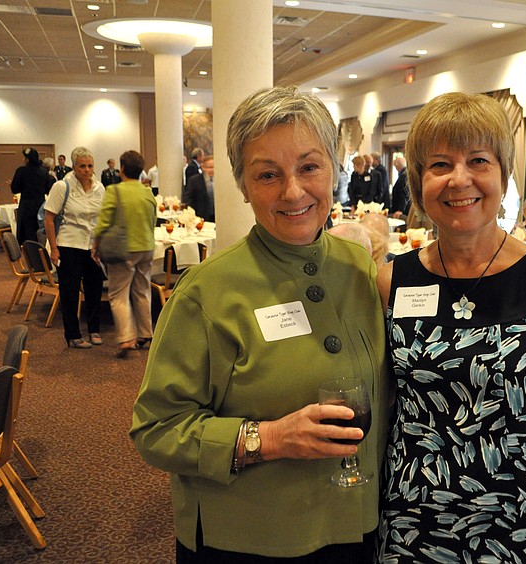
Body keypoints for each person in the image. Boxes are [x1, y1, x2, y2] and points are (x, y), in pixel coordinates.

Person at [130, 85, 388, 562]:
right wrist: (268, 439)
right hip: (249, 539)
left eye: (309, 167)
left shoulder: (360, 267)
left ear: (334, 169)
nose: (293, 191)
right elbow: (155, 429)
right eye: (268, 174)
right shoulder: (206, 292)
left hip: (357, 526)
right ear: (243, 186)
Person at [375, 92, 526, 562]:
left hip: (512, 524)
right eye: (439, 164)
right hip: (410, 520)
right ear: (417, 181)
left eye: (478, 160)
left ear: (503, 175)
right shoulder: (392, 281)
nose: (460, 180)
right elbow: (387, 408)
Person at [93, 150, 156, 358]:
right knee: (142, 290)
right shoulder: (147, 191)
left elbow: (104, 220)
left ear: (121, 169)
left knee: (118, 293)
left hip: (124, 248)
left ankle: (126, 337)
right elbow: (153, 218)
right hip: (146, 246)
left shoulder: (115, 191)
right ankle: (146, 333)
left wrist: (96, 242)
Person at [43, 146, 105, 349]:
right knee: (69, 292)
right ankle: (73, 335)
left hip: (92, 246)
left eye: (90, 166)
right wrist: (53, 248)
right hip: (69, 244)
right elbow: (49, 218)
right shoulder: (62, 186)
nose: (87, 170)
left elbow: (101, 218)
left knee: (94, 289)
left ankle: (94, 329)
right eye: (82, 166)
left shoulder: (99, 188)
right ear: (74, 167)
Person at [11, 147, 52, 245]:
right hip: (40, 205)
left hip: (26, 205)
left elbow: (14, 189)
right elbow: (48, 189)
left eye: (24, 158)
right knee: (39, 230)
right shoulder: (44, 172)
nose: (23, 160)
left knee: (26, 232)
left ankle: (27, 251)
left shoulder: (21, 171)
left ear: (28, 159)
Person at [184, 154, 215, 222]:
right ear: (203, 167)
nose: (212, 170)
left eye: (214, 167)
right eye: (210, 167)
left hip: (218, 215)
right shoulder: (194, 180)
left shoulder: (221, 180)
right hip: (201, 216)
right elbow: (188, 199)